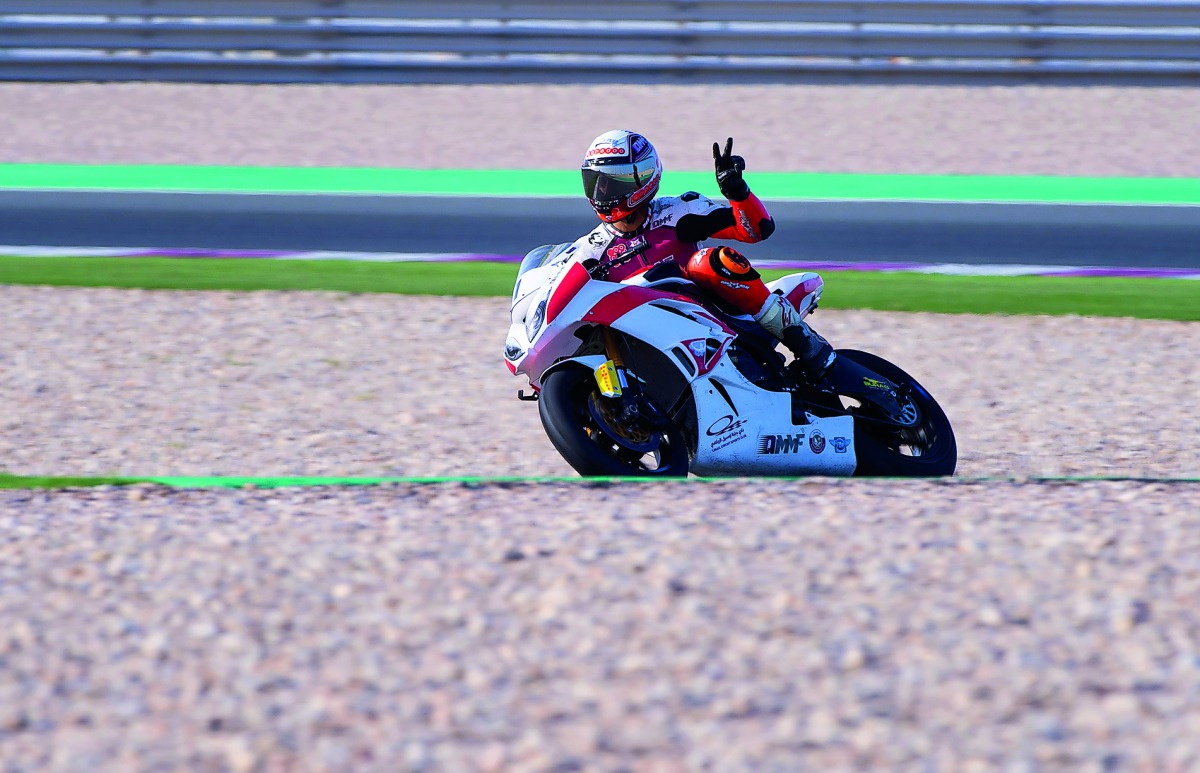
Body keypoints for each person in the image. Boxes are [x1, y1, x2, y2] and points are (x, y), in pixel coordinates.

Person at [572, 129, 839, 385]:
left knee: (708, 262)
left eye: (613, 182)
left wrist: (738, 192)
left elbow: (757, 230)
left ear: (643, 178)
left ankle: (804, 342)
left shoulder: (678, 211)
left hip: (712, 318)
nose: (603, 193)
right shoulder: (590, 250)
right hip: (647, 340)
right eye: (596, 182)